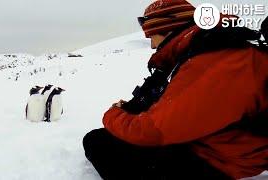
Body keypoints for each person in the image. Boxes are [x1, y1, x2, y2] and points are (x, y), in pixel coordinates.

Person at [83, 0, 268, 179]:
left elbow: (152, 131)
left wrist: (113, 114)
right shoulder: (211, 49)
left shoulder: (216, 60)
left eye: (151, 35)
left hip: (219, 159)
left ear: (168, 28)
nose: (152, 45)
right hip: (212, 142)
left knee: (99, 143)